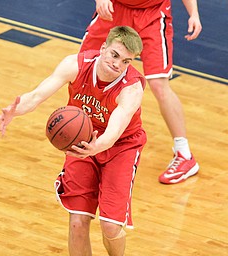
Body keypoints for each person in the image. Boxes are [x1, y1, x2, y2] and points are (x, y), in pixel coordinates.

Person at [0, 26, 147, 256]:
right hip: (82, 142)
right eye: (115, 55)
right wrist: (14, 111)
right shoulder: (75, 65)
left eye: (126, 61)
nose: (118, 64)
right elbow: (38, 95)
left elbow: (114, 132)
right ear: (103, 48)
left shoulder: (132, 88)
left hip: (120, 147)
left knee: (110, 226)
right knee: (78, 220)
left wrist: (93, 148)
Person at [79, 0, 202, 184]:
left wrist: (194, 13)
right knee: (85, 68)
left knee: (159, 84)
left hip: (151, 13)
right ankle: (84, 135)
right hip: (114, 8)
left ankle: (184, 153)